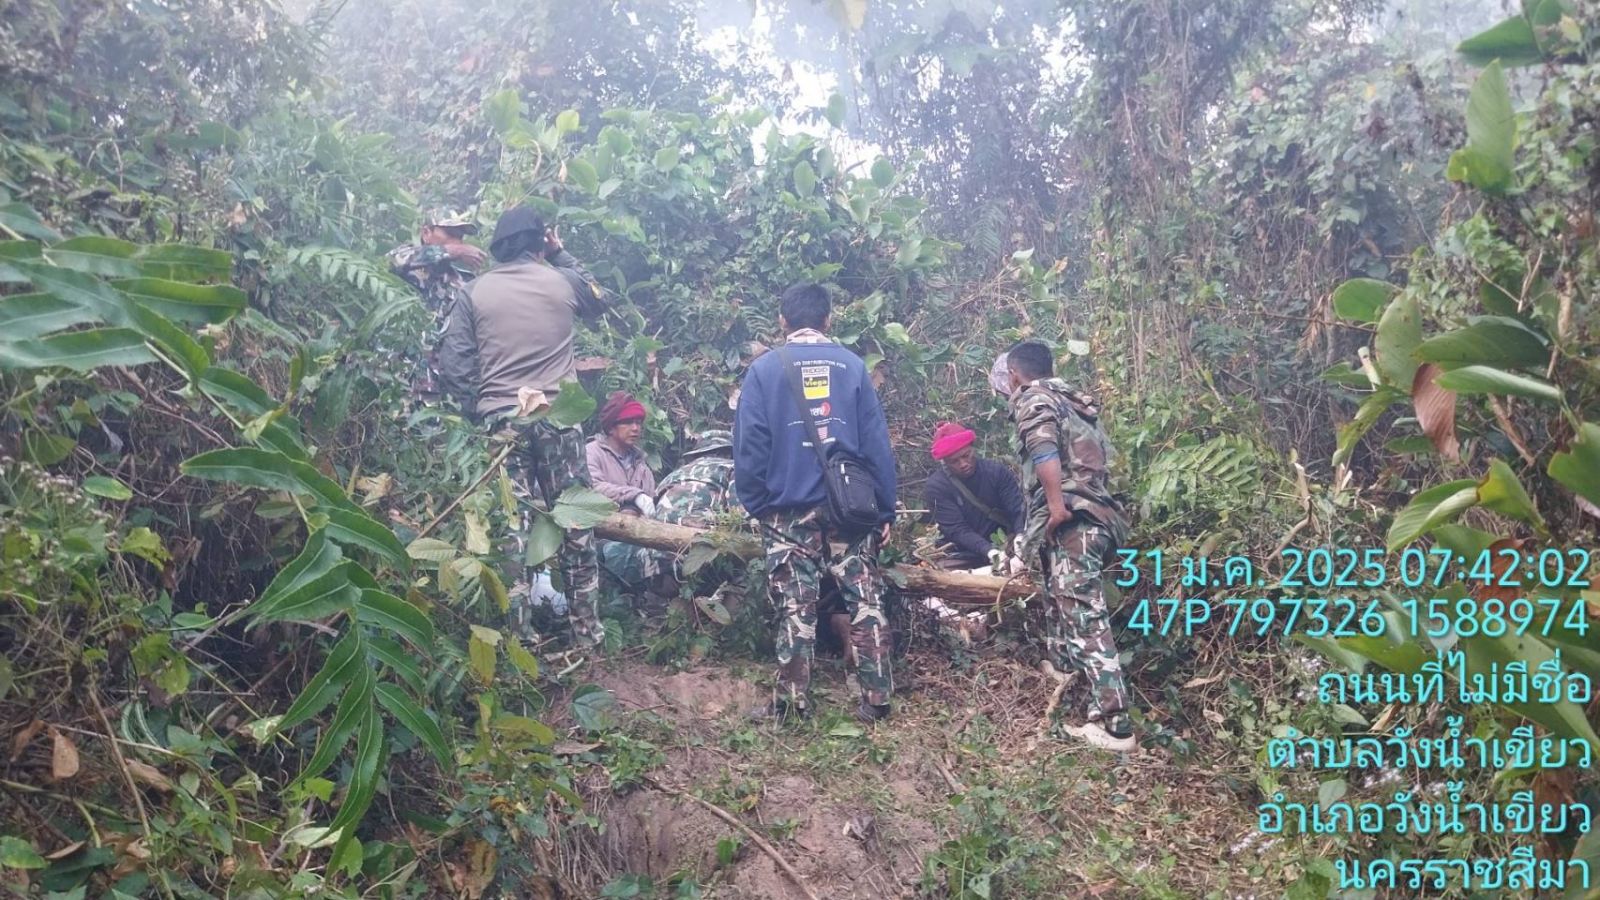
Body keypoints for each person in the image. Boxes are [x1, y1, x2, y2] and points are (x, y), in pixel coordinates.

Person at [436, 206, 610, 647]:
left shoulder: (474, 291)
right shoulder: (563, 281)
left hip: (502, 423)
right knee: (574, 523)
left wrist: (480, 410)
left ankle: (518, 639)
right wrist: (561, 254)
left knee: (512, 529)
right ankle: (587, 633)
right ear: (541, 243)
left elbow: (454, 366)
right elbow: (599, 299)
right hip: (558, 418)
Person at [733, 283, 898, 723]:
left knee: (795, 603)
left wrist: (756, 502)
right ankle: (877, 698)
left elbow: (750, 443)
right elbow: (876, 442)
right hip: (850, 505)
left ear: (782, 321)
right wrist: (885, 507)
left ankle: (792, 704)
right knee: (865, 599)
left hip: (787, 507)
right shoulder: (852, 366)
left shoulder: (764, 370)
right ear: (828, 320)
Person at [1003, 340, 1136, 751]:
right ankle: (1063, 669)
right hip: (1098, 516)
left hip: (1074, 518)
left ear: (1014, 375)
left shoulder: (1033, 399)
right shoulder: (1074, 402)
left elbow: (1044, 452)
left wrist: (1057, 507)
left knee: (1085, 617)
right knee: (1060, 599)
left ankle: (1115, 724)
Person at [387, 209, 488, 402]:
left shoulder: (463, 281)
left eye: (460, 236)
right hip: (399, 378)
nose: (457, 241)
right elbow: (392, 261)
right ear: (426, 233)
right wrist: (453, 251)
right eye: (450, 233)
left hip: (445, 386)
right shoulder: (406, 263)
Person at [924, 421, 1025, 572]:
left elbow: (1017, 510)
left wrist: (1020, 541)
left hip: (1006, 543)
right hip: (964, 552)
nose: (963, 464)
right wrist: (991, 553)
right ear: (944, 462)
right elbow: (957, 530)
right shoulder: (937, 487)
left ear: (972, 449)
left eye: (966, 456)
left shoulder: (996, 472)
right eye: (954, 461)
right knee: (941, 573)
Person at [587, 391, 658, 590]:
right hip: (600, 538)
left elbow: (651, 500)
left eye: (638, 422)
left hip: (637, 537)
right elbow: (592, 488)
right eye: (628, 422)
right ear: (611, 427)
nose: (635, 428)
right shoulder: (592, 452)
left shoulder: (640, 463)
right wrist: (634, 496)